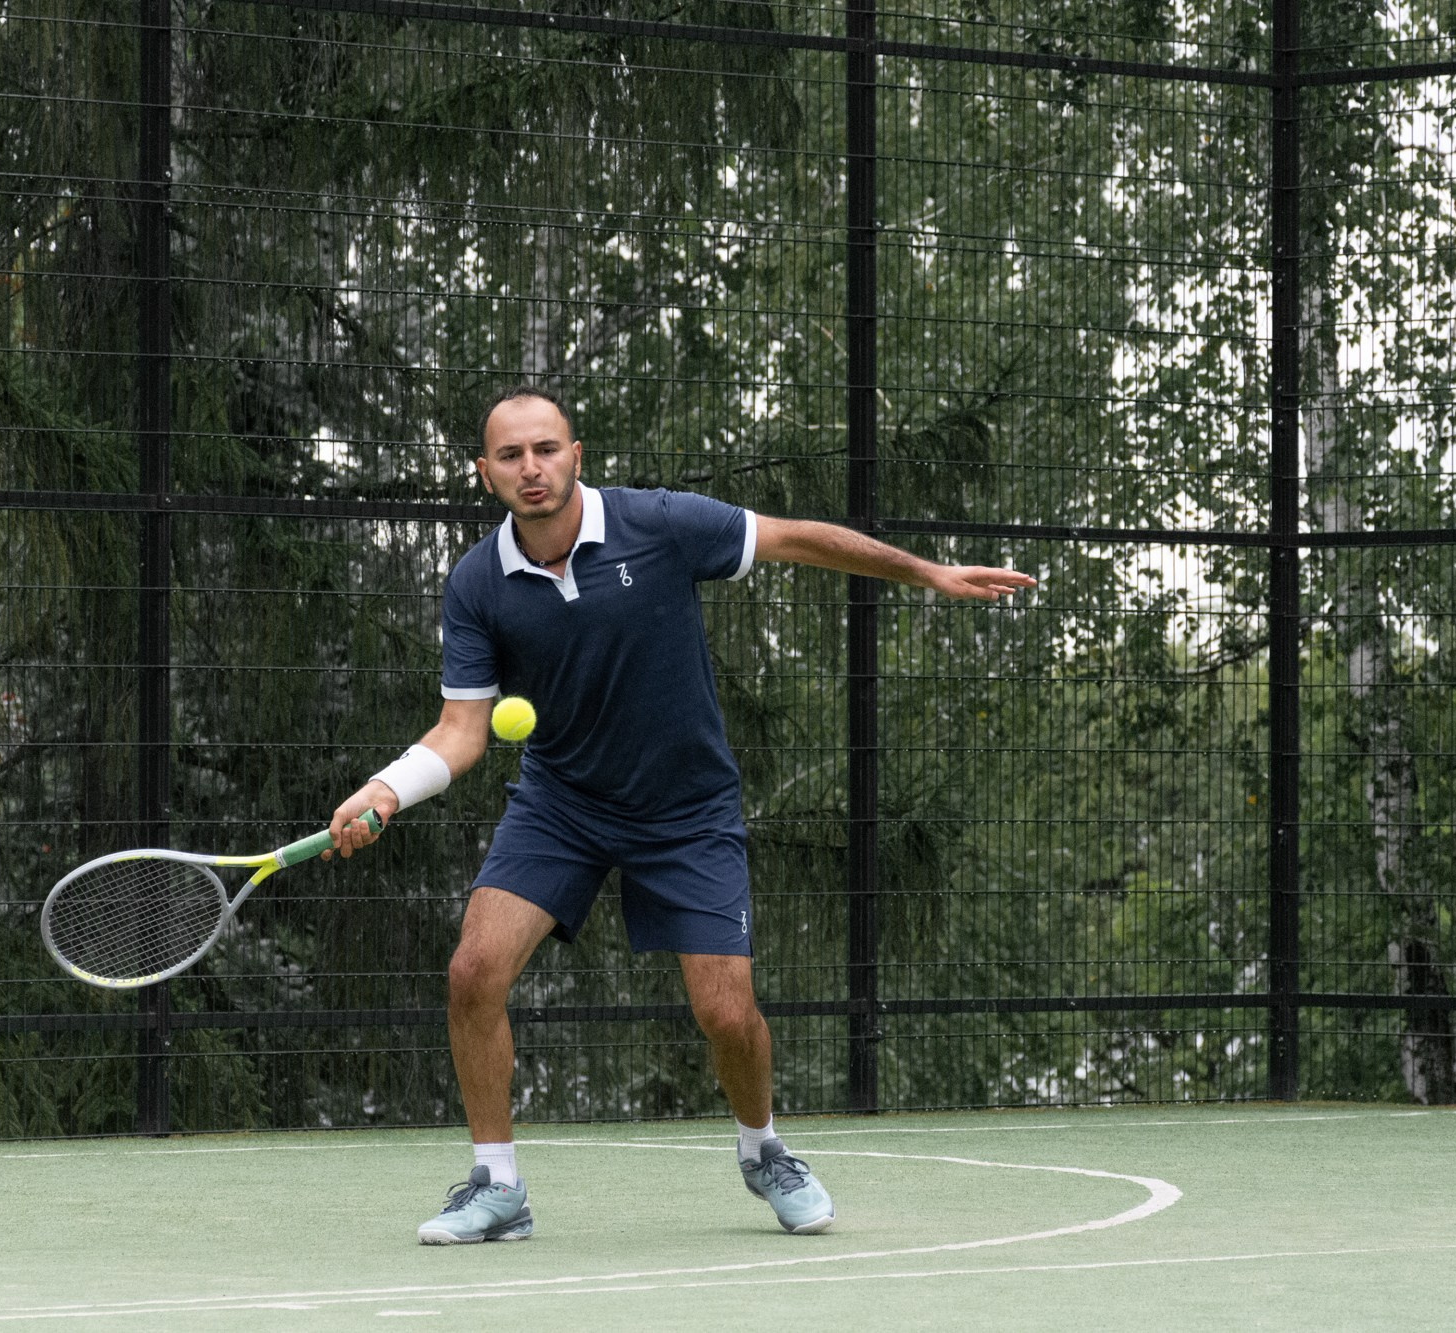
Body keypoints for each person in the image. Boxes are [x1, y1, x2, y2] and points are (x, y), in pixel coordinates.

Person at [324, 386, 1036, 1245]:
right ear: (486, 473)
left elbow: (795, 538)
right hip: (562, 804)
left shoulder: (657, 523)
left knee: (728, 1013)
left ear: (576, 455)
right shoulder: (478, 582)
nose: (531, 468)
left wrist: (925, 571)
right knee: (474, 969)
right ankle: (497, 1184)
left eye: (546, 449)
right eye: (510, 456)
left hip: (686, 808)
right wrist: (387, 789)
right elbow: (461, 730)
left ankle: (762, 1149)